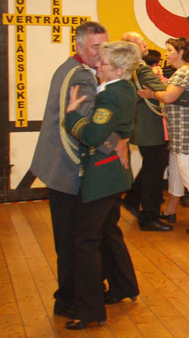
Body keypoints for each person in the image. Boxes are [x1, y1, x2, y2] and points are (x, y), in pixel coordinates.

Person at [30, 20, 126, 320]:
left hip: (58, 168)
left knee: (78, 237)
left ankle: (88, 292)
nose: (101, 52)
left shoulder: (71, 68)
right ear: (80, 47)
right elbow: (89, 127)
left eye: (104, 45)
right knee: (73, 242)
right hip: (68, 171)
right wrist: (118, 143)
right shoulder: (81, 77)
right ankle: (69, 300)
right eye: (95, 47)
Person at [63, 41, 142, 329]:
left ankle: (89, 310)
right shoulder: (125, 88)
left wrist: (71, 114)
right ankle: (123, 286)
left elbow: (93, 136)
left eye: (103, 63)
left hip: (102, 176)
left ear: (119, 70)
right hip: (115, 174)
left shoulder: (110, 95)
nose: (97, 65)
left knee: (85, 240)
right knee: (109, 231)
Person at [137, 37, 189, 234]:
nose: (166, 54)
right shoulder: (186, 71)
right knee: (176, 172)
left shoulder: (183, 72)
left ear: (181, 52)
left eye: (170, 50)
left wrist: (152, 94)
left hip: (187, 132)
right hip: (181, 132)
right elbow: (174, 95)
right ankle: (170, 210)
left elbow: (168, 96)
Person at [120, 31, 189, 232]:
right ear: (131, 47)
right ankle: (149, 217)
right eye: (141, 43)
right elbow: (167, 93)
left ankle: (133, 199)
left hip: (144, 126)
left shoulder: (132, 68)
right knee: (154, 172)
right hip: (151, 128)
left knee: (151, 167)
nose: (145, 44)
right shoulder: (142, 70)